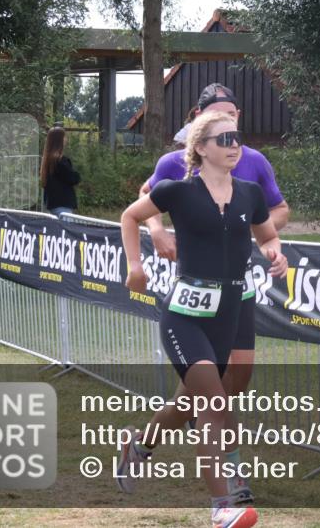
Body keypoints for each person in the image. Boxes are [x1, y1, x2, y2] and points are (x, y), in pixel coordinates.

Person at [119, 110, 287, 528]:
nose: (234, 145)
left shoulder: (249, 193)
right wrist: (135, 266)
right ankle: (222, 506)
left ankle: (139, 445)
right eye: (223, 139)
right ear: (200, 148)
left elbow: (268, 235)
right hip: (184, 317)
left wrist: (274, 253)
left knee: (189, 402)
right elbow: (130, 216)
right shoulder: (177, 191)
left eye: (236, 138)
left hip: (227, 315)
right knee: (213, 402)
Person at [40, 126, 81, 216]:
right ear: (59, 140)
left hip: (52, 203)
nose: (66, 139)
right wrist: (77, 175)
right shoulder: (60, 160)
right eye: (64, 137)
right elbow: (73, 178)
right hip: (62, 204)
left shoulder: (47, 159)